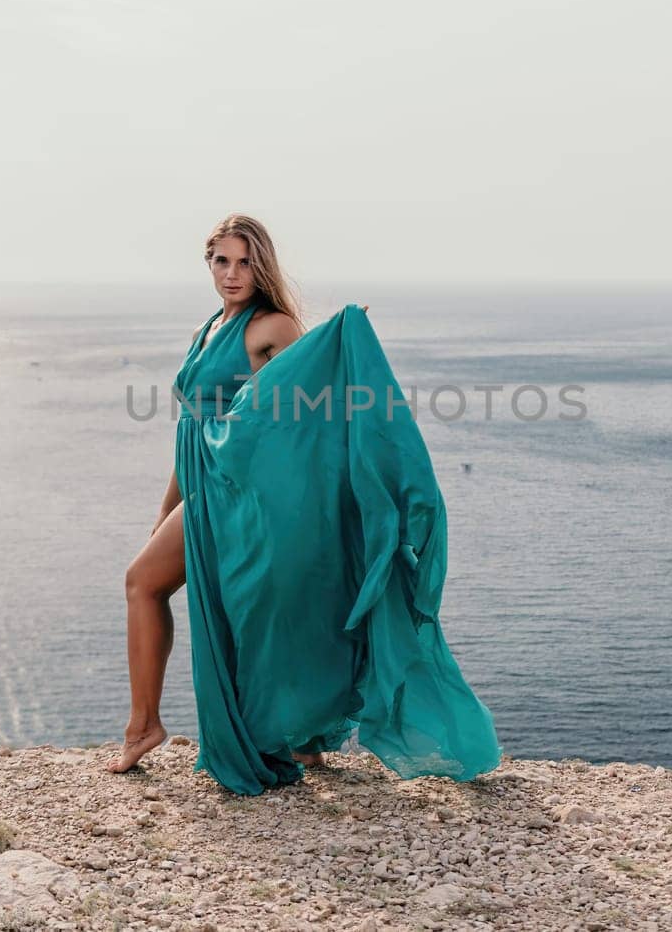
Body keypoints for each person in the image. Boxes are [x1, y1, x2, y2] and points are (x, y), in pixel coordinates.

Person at [108, 213, 501, 795]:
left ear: (261, 264)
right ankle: (294, 737)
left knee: (211, 600)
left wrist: (339, 341)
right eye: (222, 260)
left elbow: (306, 415)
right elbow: (193, 429)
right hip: (208, 489)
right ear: (208, 263)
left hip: (248, 501)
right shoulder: (210, 327)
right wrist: (165, 512)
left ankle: (146, 727)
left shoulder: (274, 327)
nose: (233, 273)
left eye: (245, 261)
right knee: (200, 597)